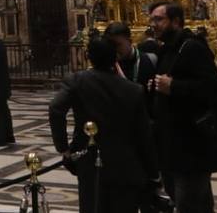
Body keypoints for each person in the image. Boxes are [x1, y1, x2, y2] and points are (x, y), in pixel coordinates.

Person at [49, 36, 162, 213]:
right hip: (126, 163)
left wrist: (64, 148)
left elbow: (56, 108)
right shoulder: (133, 90)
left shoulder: (77, 81)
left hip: (90, 159)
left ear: (89, 57)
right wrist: (153, 173)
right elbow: (143, 136)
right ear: (115, 57)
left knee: (92, 205)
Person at [148, 2, 217, 211]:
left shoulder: (192, 46)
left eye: (158, 19)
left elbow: (213, 88)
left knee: (189, 202)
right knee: (188, 199)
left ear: (176, 21)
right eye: (151, 20)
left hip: (192, 143)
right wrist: (155, 85)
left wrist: (174, 86)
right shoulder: (168, 48)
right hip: (173, 141)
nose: (152, 25)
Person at [106, 21, 158, 111]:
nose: (114, 49)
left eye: (118, 45)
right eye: (110, 45)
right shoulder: (107, 65)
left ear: (130, 41)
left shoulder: (150, 60)